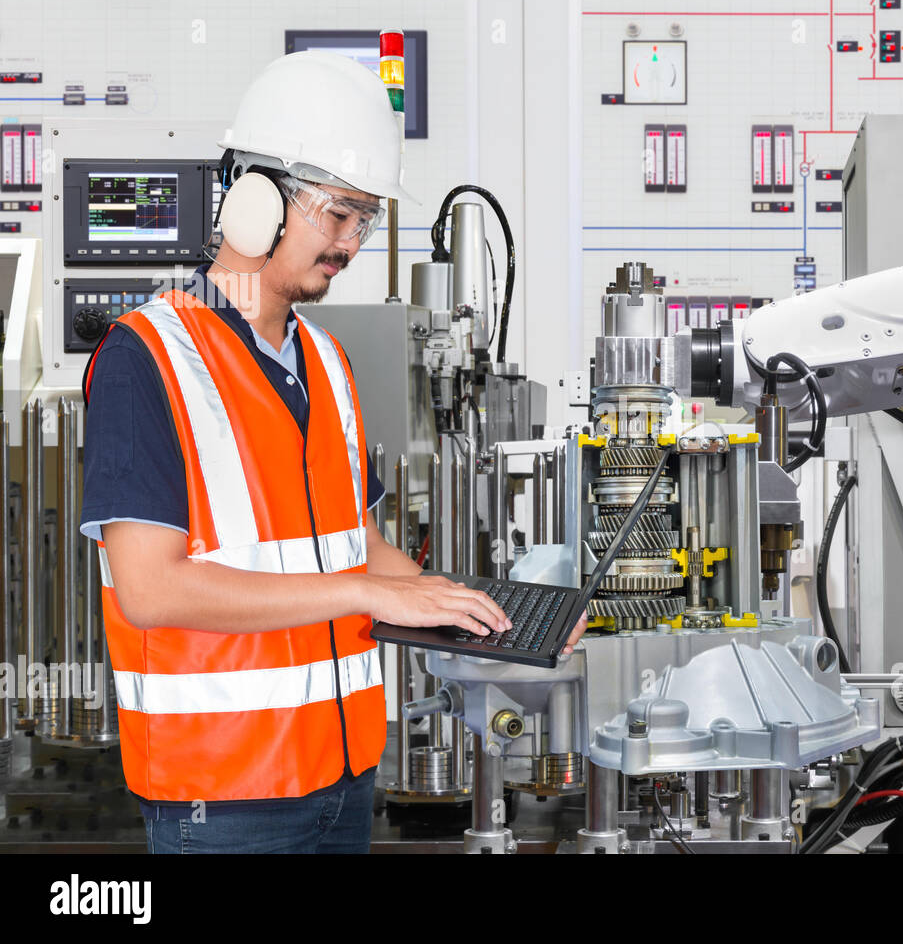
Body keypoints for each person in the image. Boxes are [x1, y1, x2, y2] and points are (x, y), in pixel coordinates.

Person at [79, 51, 586, 854]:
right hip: (223, 797)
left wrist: (481, 615)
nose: (352, 243)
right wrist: (362, 592)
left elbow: (364, 546)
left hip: (346, 779)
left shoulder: (328, 361)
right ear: (255, 202)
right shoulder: (147, 356)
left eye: (366, 221)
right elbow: (150, 589)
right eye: (337, 214)